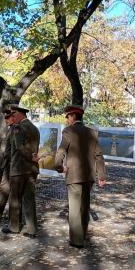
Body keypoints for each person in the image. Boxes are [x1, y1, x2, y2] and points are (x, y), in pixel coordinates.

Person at [54, 104, 106, 248]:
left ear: (73, 116)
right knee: (85, 207)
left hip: (73, 176)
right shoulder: (92, 132)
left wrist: (58, 167)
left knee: (75, 209)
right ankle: (82, 235)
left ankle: (76, 241)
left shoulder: (68, 131)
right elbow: (99, 156)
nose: (67, 120)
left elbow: (61, 151)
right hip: (89, 176)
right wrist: (101, 176)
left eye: (68, 117)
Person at [2, 104, 40, 238]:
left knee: (15, 199)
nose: (12, 117)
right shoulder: (35, 129)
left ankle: (14, 227)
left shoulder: (18, 128)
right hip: (32, 170)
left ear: (19, 115)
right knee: (29, 199)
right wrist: (34, 158)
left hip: (18, 170)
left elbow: (18, 147)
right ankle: (32, 229)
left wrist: (30, 156)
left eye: (13, 115)